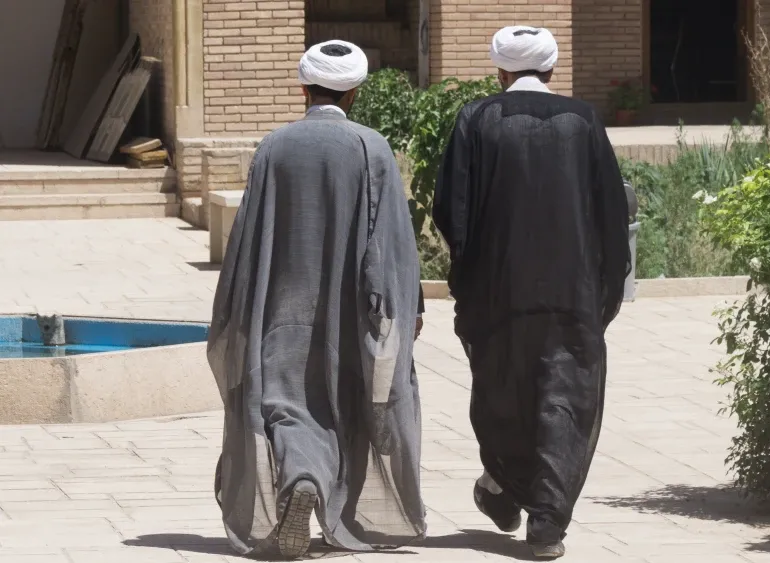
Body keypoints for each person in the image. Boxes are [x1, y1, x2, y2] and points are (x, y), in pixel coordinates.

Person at [207, 39, 426, 560]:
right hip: (348, 314)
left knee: (285, 403)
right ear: (354, 92)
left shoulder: (274, 147)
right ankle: (315, 489)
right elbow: (391, 244)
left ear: (304, 88)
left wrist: (237, 307)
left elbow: (247, 239)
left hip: (278, 309)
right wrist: (405, 306)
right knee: (342, 403)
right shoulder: (370, 148)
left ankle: (301, 479)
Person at [433, 25, 631, 560]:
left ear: (501, 71)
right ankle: (544, 522)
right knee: (564, 397)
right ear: (551, 69)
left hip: (499, 291)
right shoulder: (583, 119)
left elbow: (452, 209)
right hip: (572, 290)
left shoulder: (477, 118)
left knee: (503, 389)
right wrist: (608, 284)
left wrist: (470, 274)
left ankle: (504, 486)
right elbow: (611, 210)